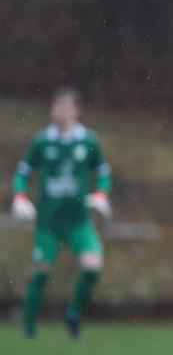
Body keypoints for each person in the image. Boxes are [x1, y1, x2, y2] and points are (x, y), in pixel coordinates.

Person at [11, 86, 112, 338]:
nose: (59, 111)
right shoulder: (42, 141)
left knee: (93, 266)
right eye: (56, 106)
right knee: (40, 273)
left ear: (76, 110)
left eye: (65, 106)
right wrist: (20, 196)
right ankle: (30, 329)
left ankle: (73, 314)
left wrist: (101, 194)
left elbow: (103, 174)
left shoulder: (89, 141)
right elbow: (23, 173)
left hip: (78, 221)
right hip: (48, 222)